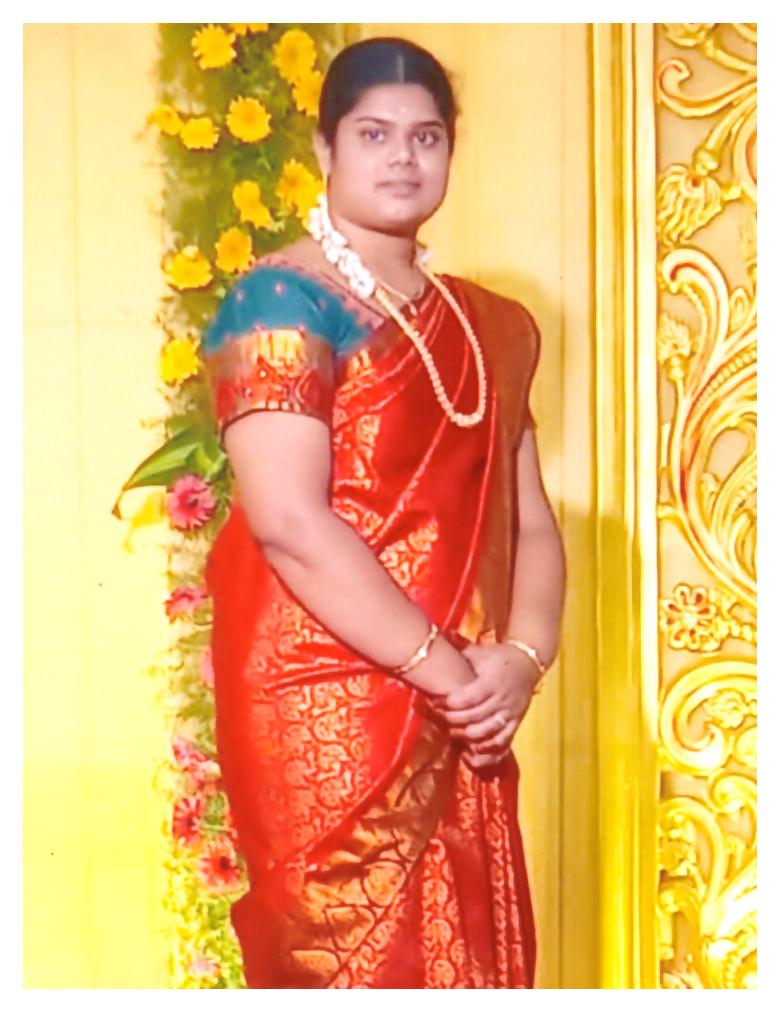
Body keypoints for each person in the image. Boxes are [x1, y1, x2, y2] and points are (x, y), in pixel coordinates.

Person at [201, 36, 566, 989]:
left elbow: (531, 521)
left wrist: (522, 662)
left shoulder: (494, 326)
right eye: (374, 134)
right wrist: (450, 674)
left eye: (426, 136)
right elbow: (290, 524)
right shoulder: (279, 302)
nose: (403, 157)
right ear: (325, 149)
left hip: (466, 699)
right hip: (326, 696)